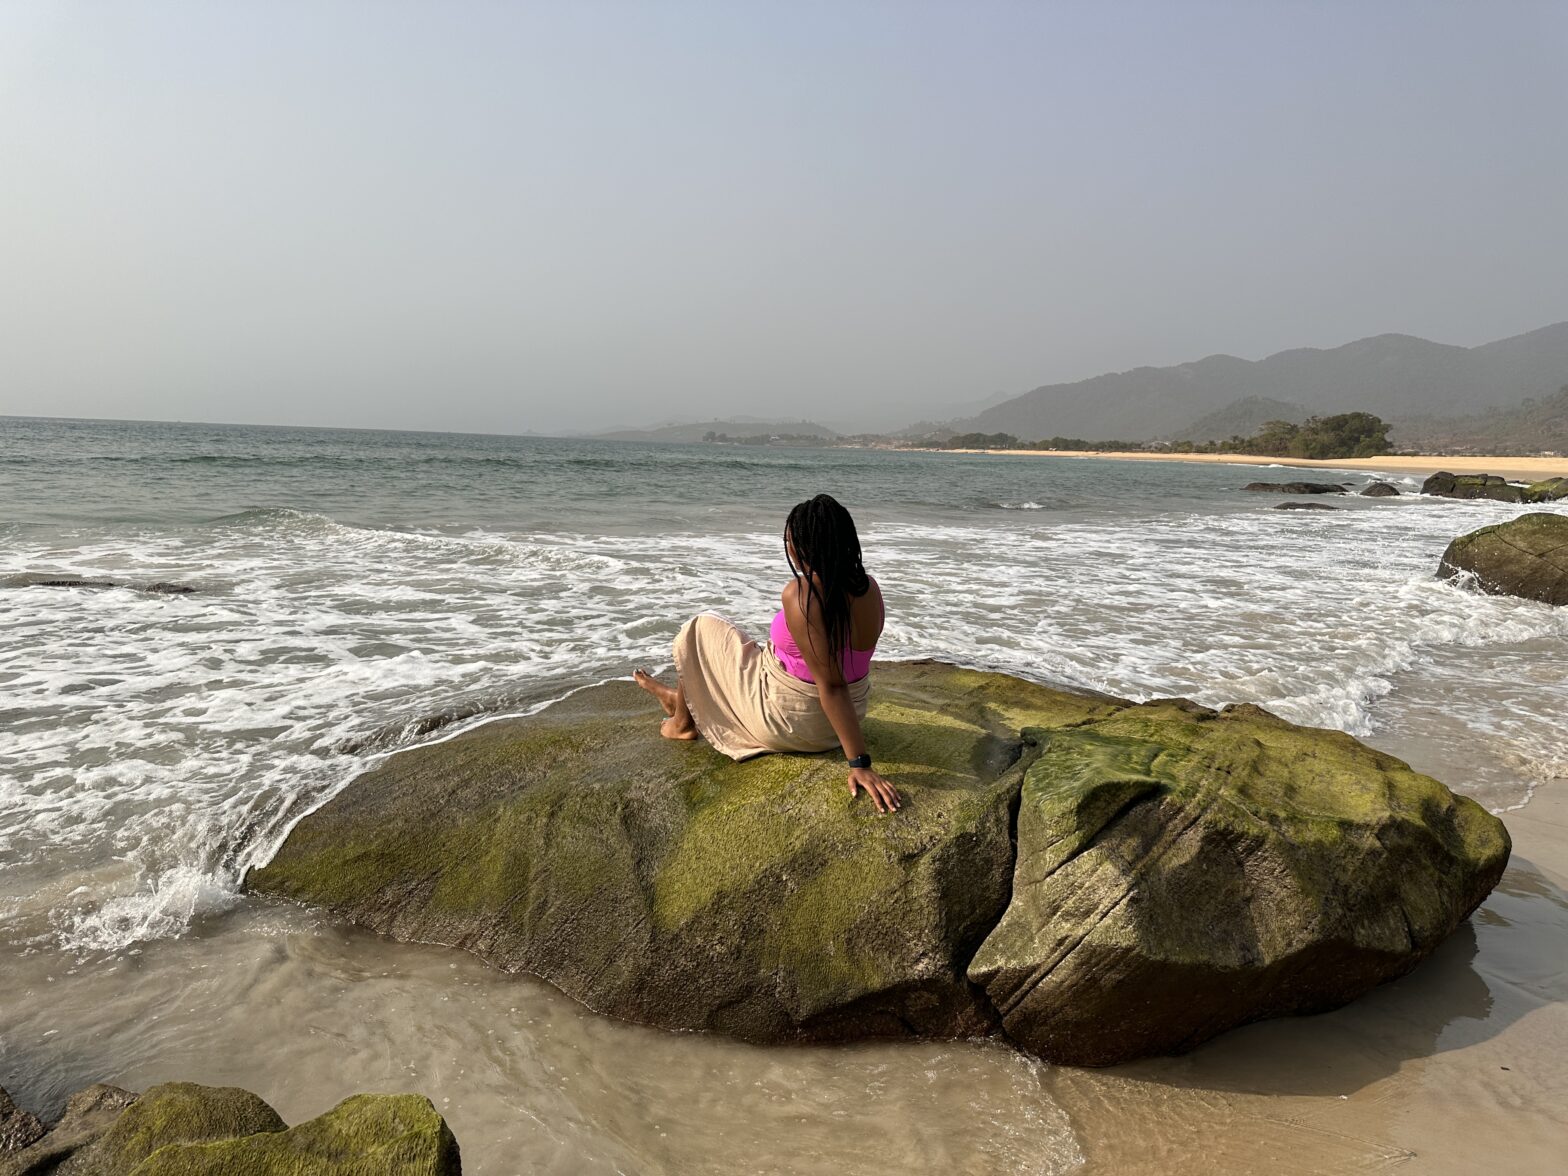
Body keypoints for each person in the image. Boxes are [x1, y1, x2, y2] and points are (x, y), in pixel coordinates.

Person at [633, 493, 902, 813]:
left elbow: (831, 685)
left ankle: (681, 723)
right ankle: (680, 700)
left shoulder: (804, 594)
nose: (788, 547)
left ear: (803, 546)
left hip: (793, 721)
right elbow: (843, 673)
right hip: (845, 721)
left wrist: (860, 764)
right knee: (751, 651)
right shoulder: (868, 586)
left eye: (790, 540)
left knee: (699, 628)